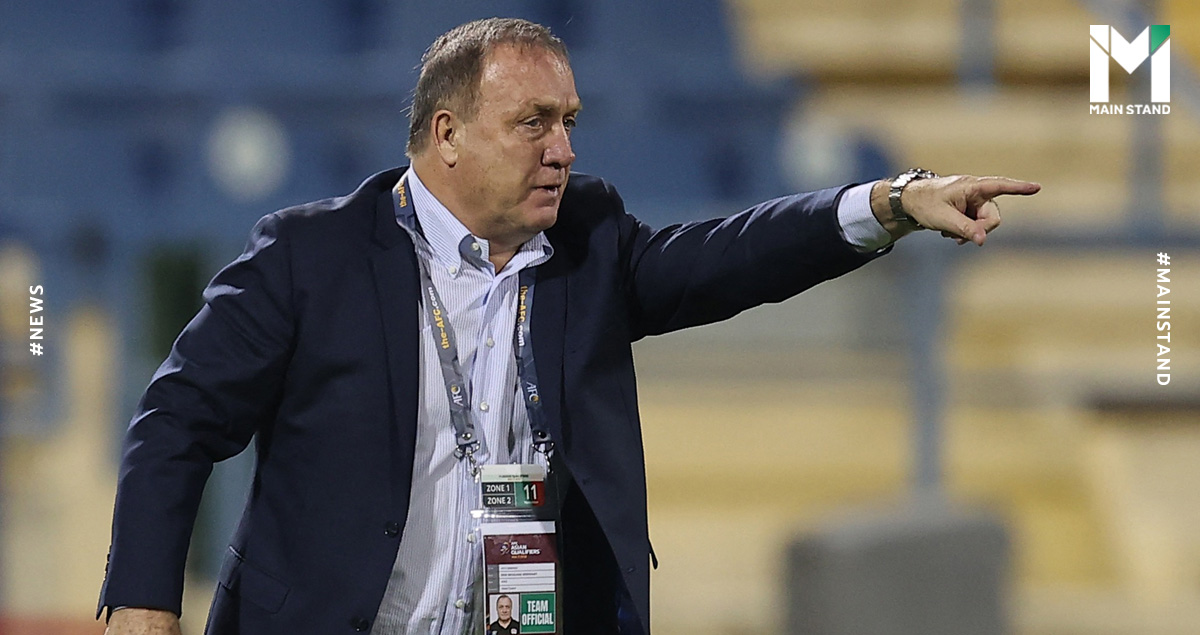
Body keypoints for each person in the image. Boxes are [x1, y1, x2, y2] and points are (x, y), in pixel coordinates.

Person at [98, 17, 1039, 635]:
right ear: (446, 134)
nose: (563, 150)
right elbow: (176, 420)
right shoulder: (312, 255)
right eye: (534, 123)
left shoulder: (589, 239)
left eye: (570, 122)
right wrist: (143, 601)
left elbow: (732, 254)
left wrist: (890, 201)